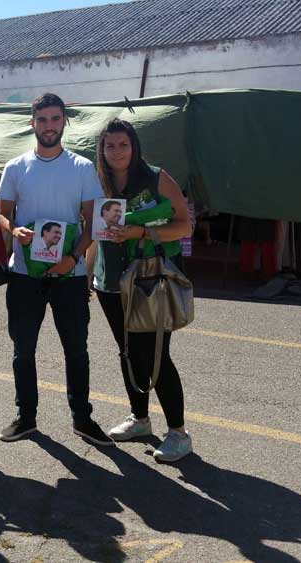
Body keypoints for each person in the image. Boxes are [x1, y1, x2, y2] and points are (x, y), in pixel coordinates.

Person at [0, 92, 113, 447]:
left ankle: (82, 418)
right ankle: (26, 417)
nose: (49, 126)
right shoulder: (15, 167)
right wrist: (14, 230)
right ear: (32, 123)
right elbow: (1, 214)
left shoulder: (82, 168)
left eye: (55, 119)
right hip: (25, 275)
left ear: (64, 122)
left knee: (76, 350)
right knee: (23, 350)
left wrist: (73, 258)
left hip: (69, 275)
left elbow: (93, 222)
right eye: (43, 119)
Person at [88, 118, 193, 462]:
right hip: (110, 281)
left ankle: (178, 433)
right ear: (101, 150)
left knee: (155, 354)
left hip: (149, 278)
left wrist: (141, 233)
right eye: (110, 145)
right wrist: (87, 275)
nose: (117, 152)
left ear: (134, 146)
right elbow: (93, 233)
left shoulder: (156, 177)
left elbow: (184, 226)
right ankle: (140, 418)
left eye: (124, 144)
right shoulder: (97, 182)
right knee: (128, 352)